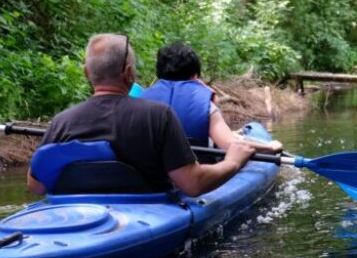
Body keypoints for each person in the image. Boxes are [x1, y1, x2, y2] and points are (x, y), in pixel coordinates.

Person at [27, 34, 254, 197]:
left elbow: (36, 186)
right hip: (148, 210)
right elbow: (193, 185)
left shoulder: (62, 121)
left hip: (79, 212)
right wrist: (233, 161)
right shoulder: (158, 115)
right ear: (129, 73)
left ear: (87, 73)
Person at [140, 42, 284, 154]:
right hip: (198, 173)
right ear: (195, 73)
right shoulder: (203, 102)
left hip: (150, 176)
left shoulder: (141, 99)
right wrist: (270, 147)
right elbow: (229, 145)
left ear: (159, 72)